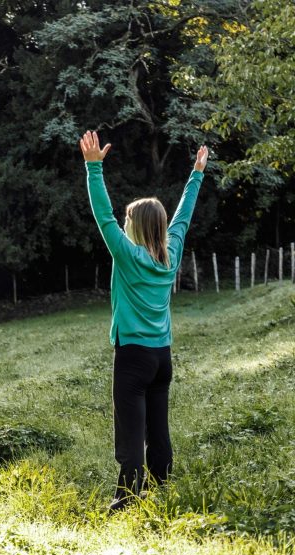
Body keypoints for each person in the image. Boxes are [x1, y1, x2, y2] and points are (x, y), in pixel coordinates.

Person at [80, 130, 208, 512]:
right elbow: (184, 215)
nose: (122, 221)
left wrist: (93, 169)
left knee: (131, 431)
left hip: (133, 357)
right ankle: (161, 484)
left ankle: (128, 497)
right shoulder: (171, 251)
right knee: (158, 425)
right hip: (162, 358)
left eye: (128, 218)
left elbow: (102, 216)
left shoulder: (127, 255)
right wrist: (196, 173)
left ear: (135, 227)